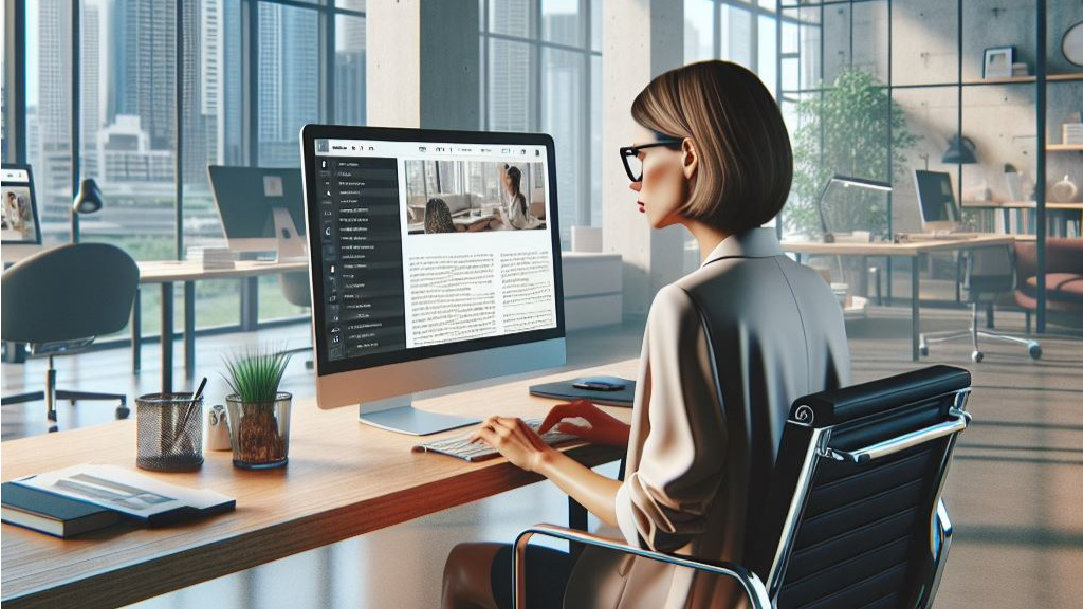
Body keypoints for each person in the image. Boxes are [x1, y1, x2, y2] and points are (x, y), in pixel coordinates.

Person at [442, 60, 851, 609]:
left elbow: (656, 526)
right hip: (777, 591)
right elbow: (762, 447)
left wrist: (541, 458)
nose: (633, 178)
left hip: (690, 593)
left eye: (639, 156)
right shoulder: (814, 290)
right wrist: (628, 434)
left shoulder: (687, 305)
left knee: (466, 567)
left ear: (688, 154)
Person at [490, 164, 541, 231]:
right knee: (490, 221)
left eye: (508, 178)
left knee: (492, 223)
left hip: (515, 227)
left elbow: (516, 225)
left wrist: (500, 218)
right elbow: (504, 182)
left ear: (513, 180)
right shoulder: (513, 195)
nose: (505, 181)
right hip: (516, 224)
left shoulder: (517, 198)